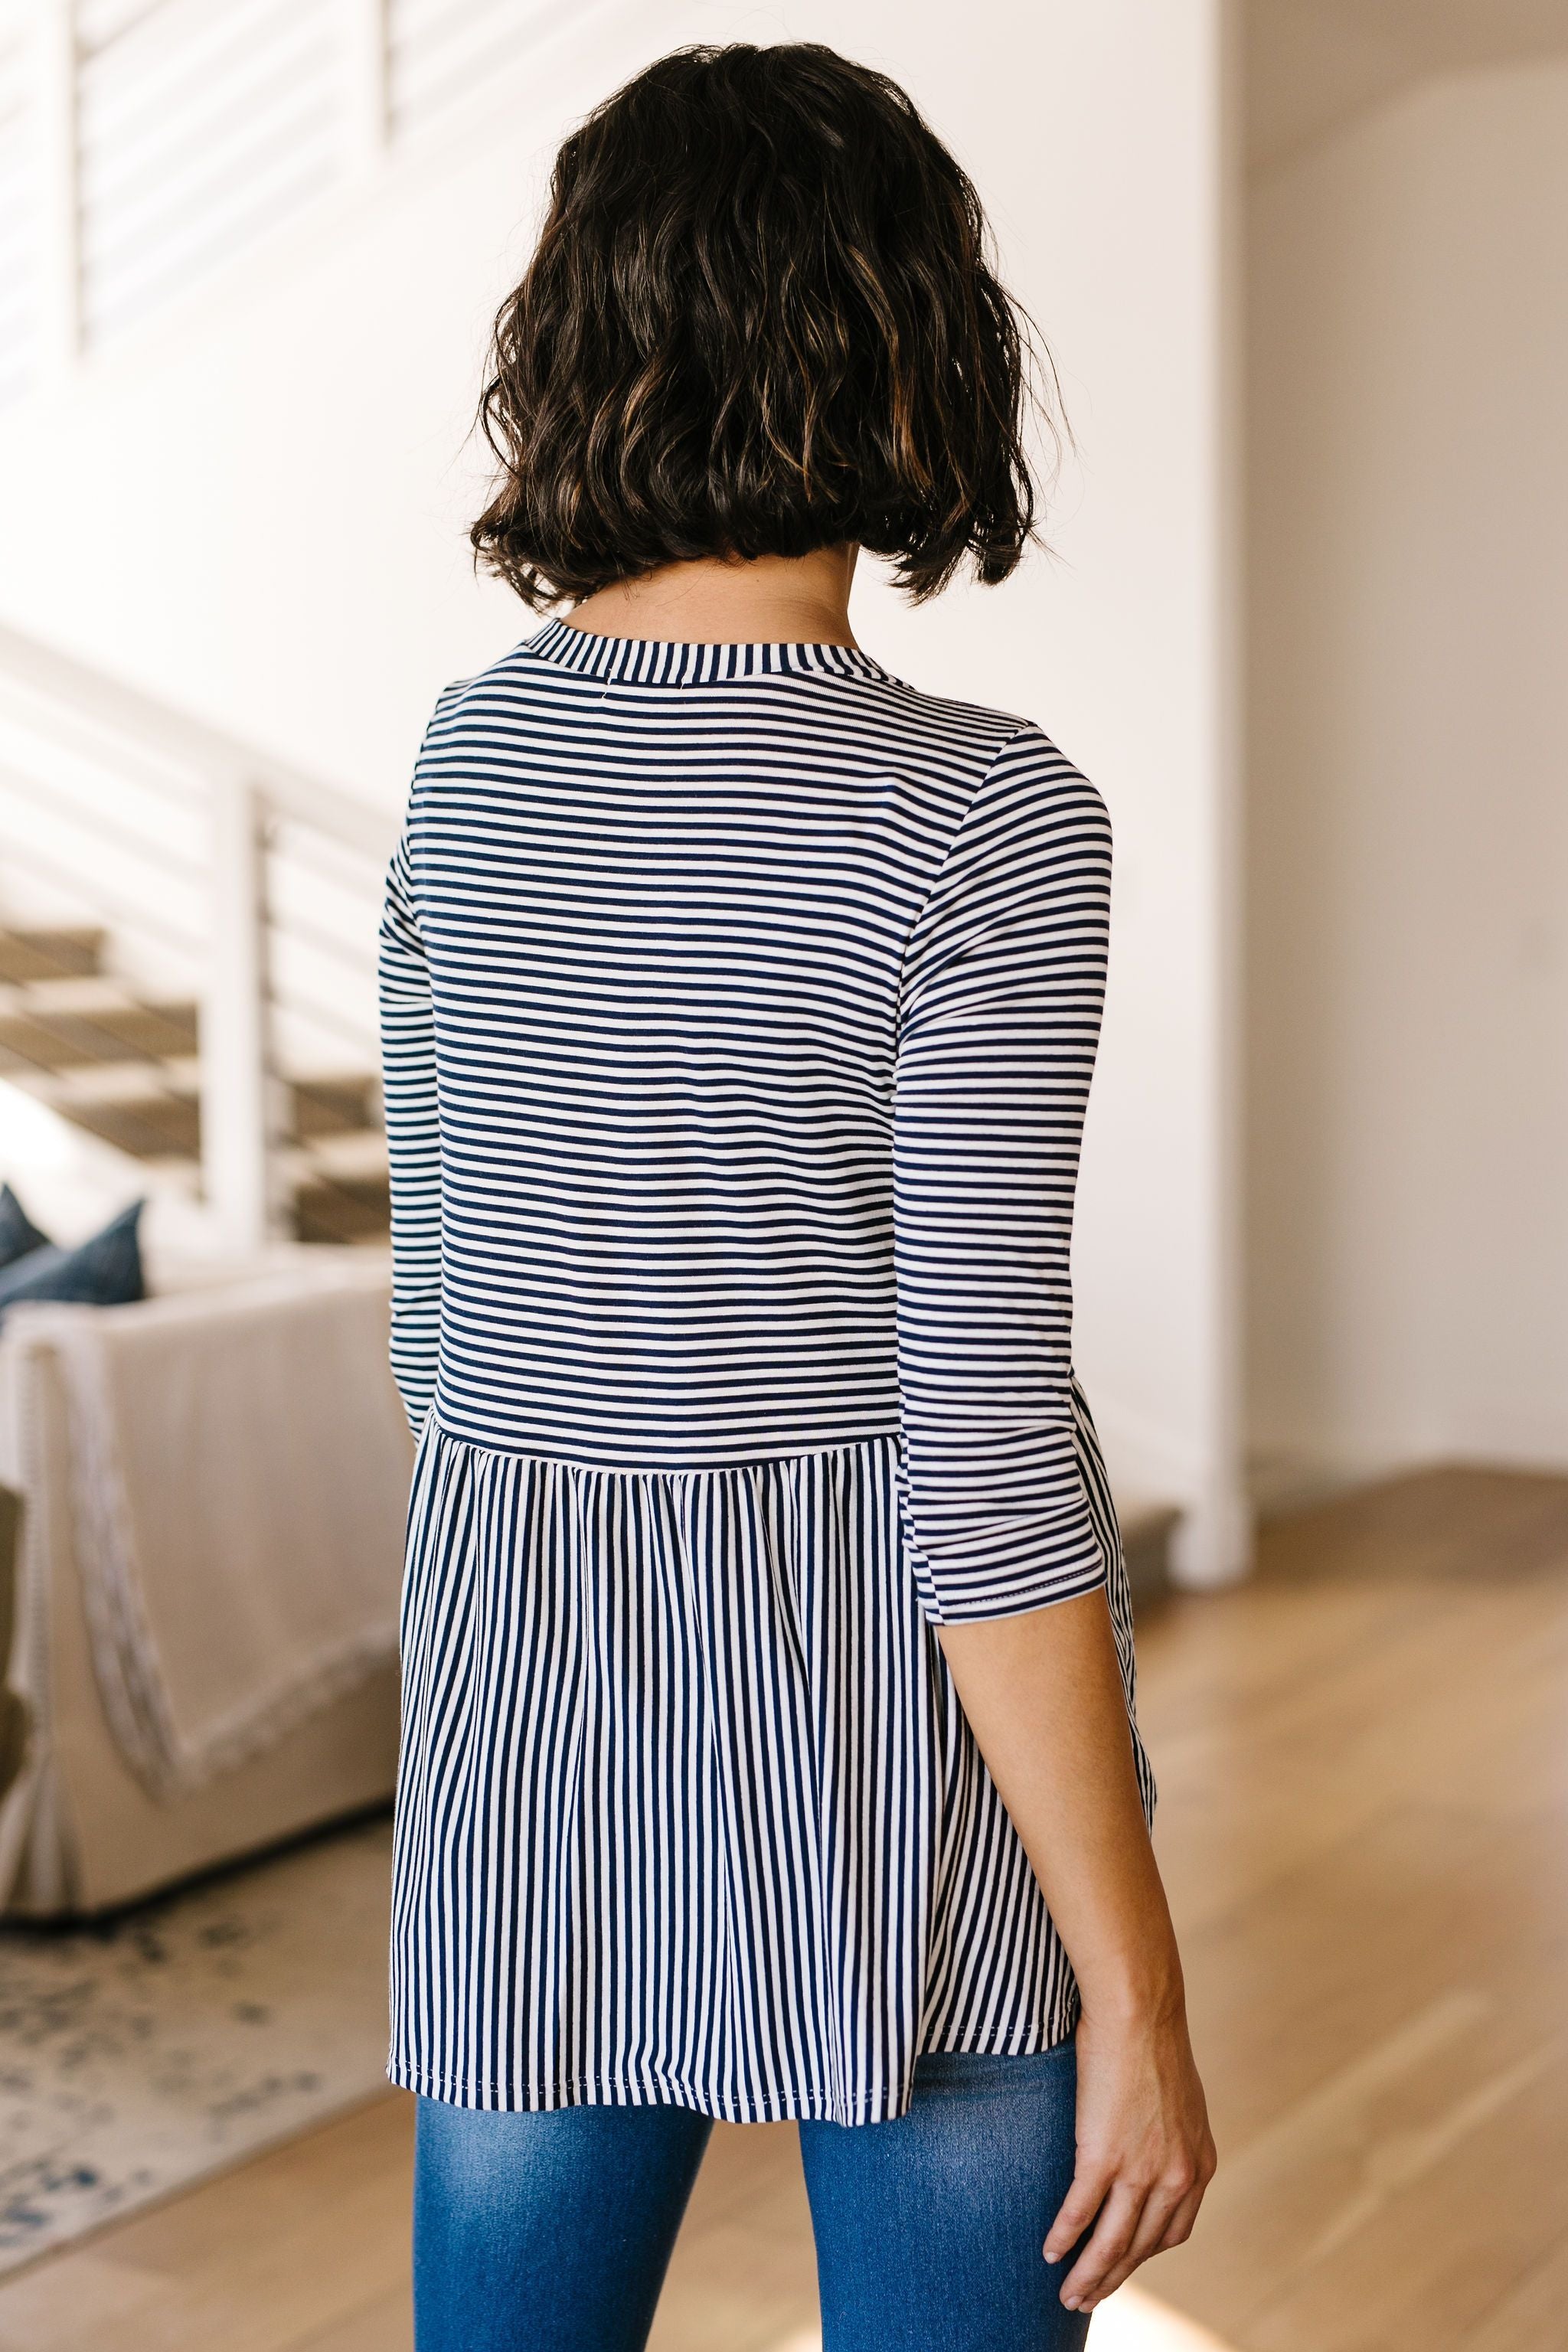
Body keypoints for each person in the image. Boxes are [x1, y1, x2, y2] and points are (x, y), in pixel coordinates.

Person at [379, 41, 1214, 2352]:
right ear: (914, 342)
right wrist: (1136, 1985)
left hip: (535, 1737)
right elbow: (977, 1445)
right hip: (899, 1762)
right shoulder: (991, 821)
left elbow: (437, 1338)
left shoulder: (470, 763)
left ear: (588, 343)